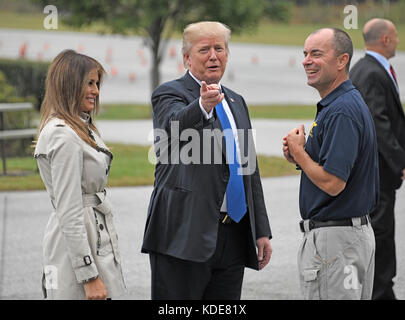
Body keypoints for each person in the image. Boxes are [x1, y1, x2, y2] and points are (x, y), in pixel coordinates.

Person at [142, 21, 272, 300]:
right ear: (187, 58)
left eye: (219, 48)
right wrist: (202, 106)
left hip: (234, 235)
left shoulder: (237, 102)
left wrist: (260, 229)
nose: (214, 55)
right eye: (204, 49)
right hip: (184, 235)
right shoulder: (170, 94)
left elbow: (249, 168)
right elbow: (171, 127)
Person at [283, 28, 379, 299]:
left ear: (341, 61)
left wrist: (300, 153)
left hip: (336, 242)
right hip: (346, 239)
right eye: (304, 54)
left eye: (316, 54)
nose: (306, 61)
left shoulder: (341, 111)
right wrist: (299, 157)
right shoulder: (342, 103)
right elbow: (334, 169)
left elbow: (334, 183)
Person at [34, 50, 126, 300]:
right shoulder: (64, 134)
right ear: (68, 84)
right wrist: (89, 275)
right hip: (77, 245)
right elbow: (69, 211)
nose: (96, 91)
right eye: (89, 83)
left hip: (93, 235)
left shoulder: (80, 125)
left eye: (97, 84)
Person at [350, 18, 405, 300]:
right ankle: (381, 292)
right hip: (379, 173)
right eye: (395, 35)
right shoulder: (372, 72)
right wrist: (400, 160)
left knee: (378, 235)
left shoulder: (364, 68)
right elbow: (378, 122)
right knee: (381, 236)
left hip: (375, 173)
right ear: (384, 39)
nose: (398, 40)